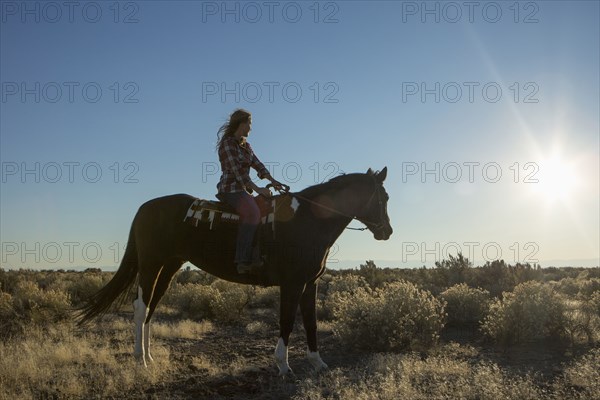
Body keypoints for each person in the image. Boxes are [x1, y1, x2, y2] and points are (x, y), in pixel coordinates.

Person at [215, 109, 284, 274]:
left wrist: (272, 181)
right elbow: (238, 173)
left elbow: (257, 164)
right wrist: (258, 189)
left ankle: (260, 253)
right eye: (249, 124)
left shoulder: (246, 146)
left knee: (268, 208)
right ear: (241, 123)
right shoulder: (227, 144)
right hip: (230, 189)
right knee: (253, 213)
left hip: (243, 190)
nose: (251, 128)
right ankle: (242, 259)